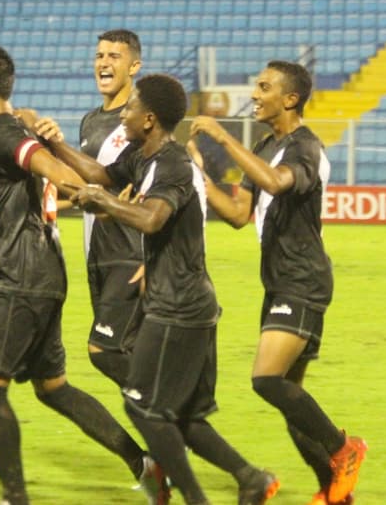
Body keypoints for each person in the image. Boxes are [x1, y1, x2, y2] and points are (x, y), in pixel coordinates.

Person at [37, 73, 280, 505]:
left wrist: (102, 202)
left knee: (143, 406)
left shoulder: (171, 165)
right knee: (178, 416)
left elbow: (152, 219)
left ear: (148, 119)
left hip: (180, 307)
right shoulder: (142, 153)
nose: (124, 113)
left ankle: (195, 498)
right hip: (178, 303)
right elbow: (102, 173)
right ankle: (249, 479)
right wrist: (56, 146)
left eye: (130, 107)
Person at [0, 45, 167, 505]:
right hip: (44, 273)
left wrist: (94, 194)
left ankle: (15, 498)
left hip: (20, 276)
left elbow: (48, 168)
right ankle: (144, 463)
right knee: (53, 389)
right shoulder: (10, 128)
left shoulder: (4, 134)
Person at [189, 60, 367, 505]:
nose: (254, 93)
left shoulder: (304, 148)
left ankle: (344, 449)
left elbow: (276, 182)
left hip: (302, 280)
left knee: (267, 379)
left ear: (289, 99)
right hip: (281, 281)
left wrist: (224, 137)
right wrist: (200, 175)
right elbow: (236, 215)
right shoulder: (267, 144)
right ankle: (335, 494)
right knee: (293, 403)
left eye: (264, 87)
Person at [77, 29, 145, 387]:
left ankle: (175, 421)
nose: (103, 63)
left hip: (130, 254)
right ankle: (166, 433)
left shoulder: (140, 121)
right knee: (126, 353)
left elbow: (109, 178)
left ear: (134, 65)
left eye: (113, 57)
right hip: (97, 254)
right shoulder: (89, 122)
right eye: (100, 56)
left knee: (106, 350)